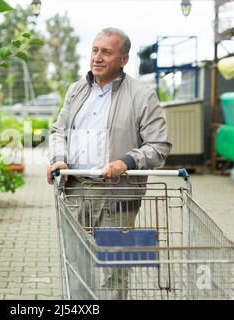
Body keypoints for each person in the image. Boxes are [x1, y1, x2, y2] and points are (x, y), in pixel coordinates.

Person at [46, 27, 172, 299]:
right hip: (75, 191)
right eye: (94, 50)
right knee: (77, 264)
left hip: (118, 195)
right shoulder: (76, 90)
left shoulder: (141, 95)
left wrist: (127, 161)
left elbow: (159, 146)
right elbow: (59, 131)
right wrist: (59, 159)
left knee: (115, 269)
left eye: (106, 52)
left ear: (123, 60)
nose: (97, 57)